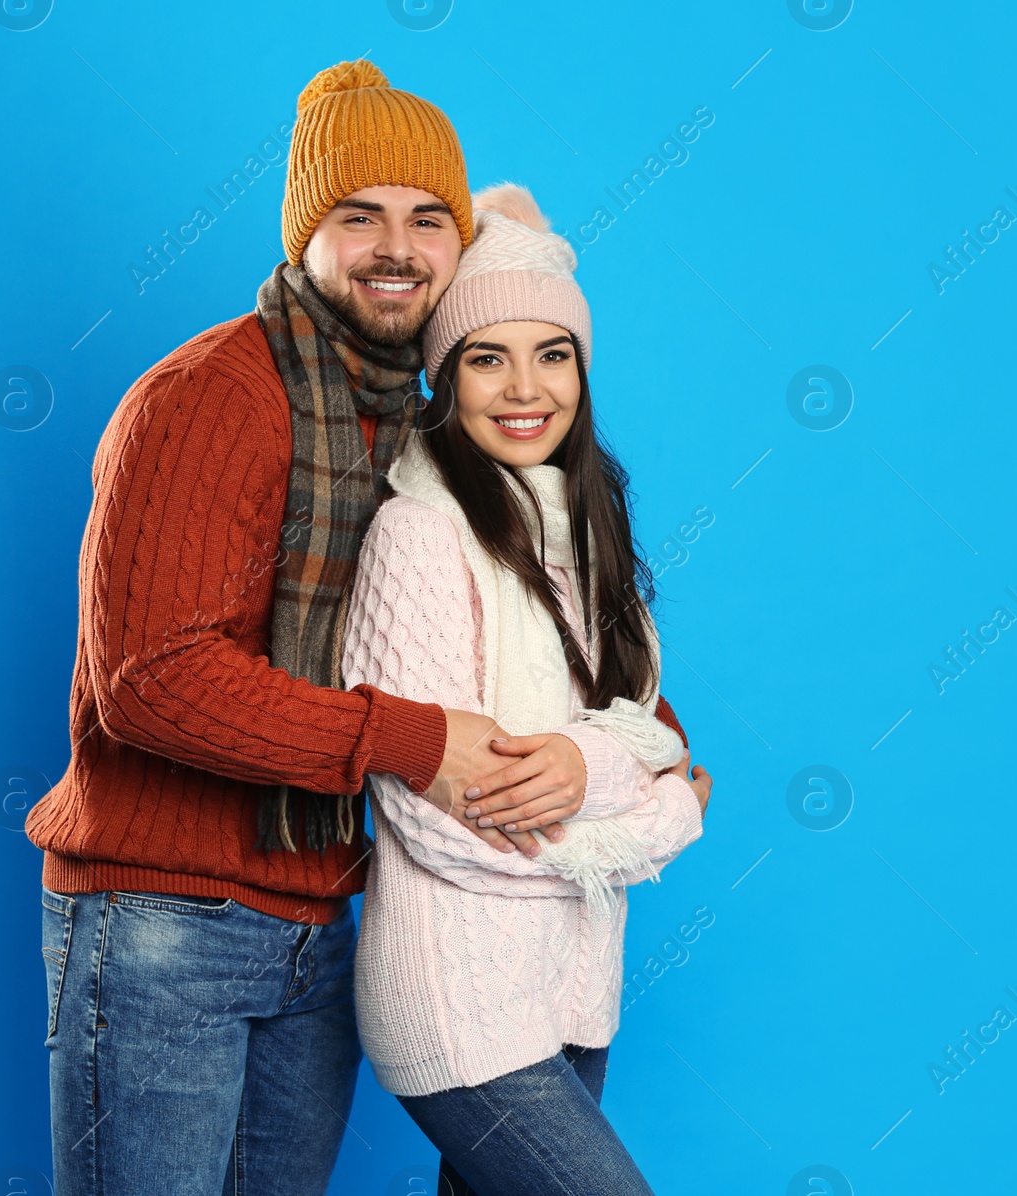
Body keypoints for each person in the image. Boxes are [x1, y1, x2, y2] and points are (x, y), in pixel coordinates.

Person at [23, 60, 696, 1195]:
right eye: (360, 216)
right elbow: (153, 680)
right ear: (304, 235)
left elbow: (537, 624)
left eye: (430, 219)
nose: (398, 247)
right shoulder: (211, 396)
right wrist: (422, 741)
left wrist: (648, 747)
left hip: (320, 912)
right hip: (162, 923)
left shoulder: (422, 420)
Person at [341, 183, 713, 1196]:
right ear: (444, 377)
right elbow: (438, 816)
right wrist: (666, 815)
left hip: (573, 985)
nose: (524, 388)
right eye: (485, 356)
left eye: (552, 353)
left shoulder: (585, 525)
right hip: (459, 1001)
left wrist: (590, 763)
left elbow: (641, 726)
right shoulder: (418, 533)